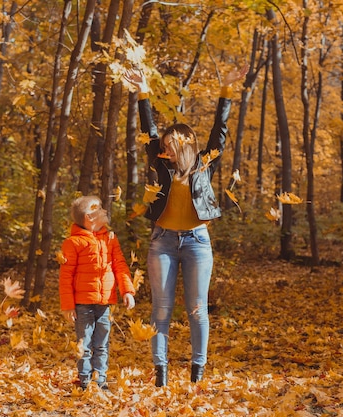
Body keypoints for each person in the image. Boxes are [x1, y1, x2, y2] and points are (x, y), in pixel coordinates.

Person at [126, 65, 247, 387]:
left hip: (197, 242)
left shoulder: (204, 162)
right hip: (162, 241)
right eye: (162, 145)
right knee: (161, 310)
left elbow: (219, 130)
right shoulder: (159, 162)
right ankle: (161, 373)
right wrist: (143, 88)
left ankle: (198, 371)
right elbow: (147, 128)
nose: (164, 149)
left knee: (197, 309)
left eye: (170, 145)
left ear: (185, 144)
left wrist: (227, 88)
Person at [59, 195, 136, 390]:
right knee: (84, 345)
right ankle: (85, 381)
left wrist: (127, 290)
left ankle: (100, 379)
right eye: (99, 210)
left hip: (105, 303)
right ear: (89, 218)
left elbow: (119, 265)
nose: (104, 212)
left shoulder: (110, 239)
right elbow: (66, 276)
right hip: (82, 304)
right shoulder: (73, 243)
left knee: (101, 344)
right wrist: (68, 306)